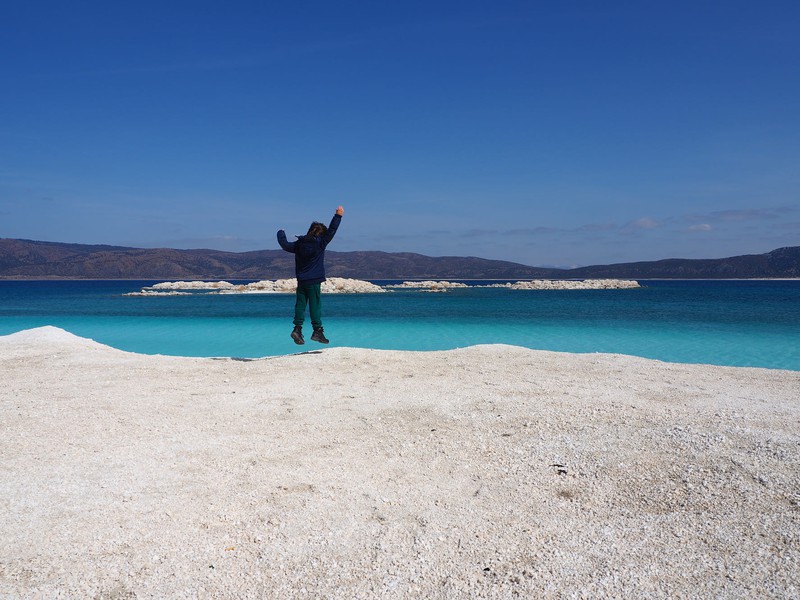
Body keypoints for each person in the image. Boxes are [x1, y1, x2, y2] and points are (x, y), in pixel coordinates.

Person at [277, 205, 344, 345]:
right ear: (321, 234)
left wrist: (281, 232)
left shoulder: (298, 244)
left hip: (302, 281)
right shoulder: (320, 243)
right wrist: (338, 215)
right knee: (315, 306)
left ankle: (297, 329)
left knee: (300, 305)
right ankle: (317, 331)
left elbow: (284, 244)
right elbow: (332, 230)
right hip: (314, 281)